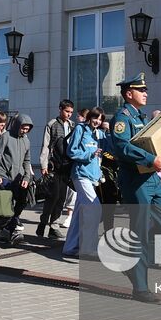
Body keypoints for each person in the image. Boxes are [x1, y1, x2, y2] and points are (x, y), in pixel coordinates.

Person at [110, 73, 161, 304]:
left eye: (145, 90)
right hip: (135, 182)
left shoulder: (142, 116)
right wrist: (150, 159)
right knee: (139, 234)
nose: (146, 93)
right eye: (141, 90)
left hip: (153, 180)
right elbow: (122, 147)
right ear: (129, 94)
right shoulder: (122, 117)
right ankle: (140, 287)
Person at [63, 108, 104, 258]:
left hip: (91, 177)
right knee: (94, 208)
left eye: (100, 119)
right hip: (80, 175)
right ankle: (87, 247)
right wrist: (89, 154)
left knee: (79, 214)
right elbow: (71, 151)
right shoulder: (80, 129)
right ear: (89, 117)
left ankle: (70, 247)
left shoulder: (97, 133)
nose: (97, 121)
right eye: (95, 118)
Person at [0, 112, 34, 245]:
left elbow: (27, 161)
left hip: (19, 178)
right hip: (4, 176)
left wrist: (27, 176)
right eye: (23, 128)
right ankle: (11, 230)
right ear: (17, 125)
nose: (25, 131)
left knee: (22, 201)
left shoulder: (26, 140)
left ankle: (7, 229)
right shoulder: (6, 136)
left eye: (27, 129)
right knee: (7, 205)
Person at [36, 100, 75, 240]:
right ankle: (43, 222)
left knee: (61, 198)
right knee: (52, 196)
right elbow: (46, 145)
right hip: (53, 166)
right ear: (60, 109)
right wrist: (43, 164)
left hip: (66, 167)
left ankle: (54, 226)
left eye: (71, 112)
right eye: (66, 111)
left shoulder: (72, 125)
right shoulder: (52, 124)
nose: (69, 114)